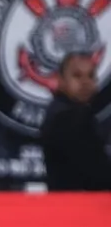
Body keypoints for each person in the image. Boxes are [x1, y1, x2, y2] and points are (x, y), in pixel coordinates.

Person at [40, 52, 111, 191]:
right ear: (60, 81)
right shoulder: (67, 118)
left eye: (91, 76)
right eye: (77, 75)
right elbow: (98, 175)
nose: (86, 82)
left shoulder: (74, 113)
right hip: (76, 207)